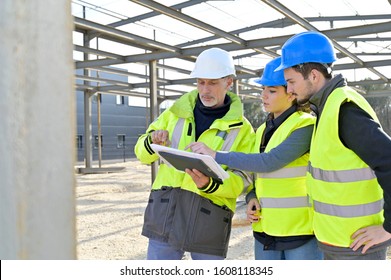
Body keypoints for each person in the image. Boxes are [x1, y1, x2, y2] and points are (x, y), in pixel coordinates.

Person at [187, 57, 323, 260]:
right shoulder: (260, 131)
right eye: (263, 90)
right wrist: (251, 197)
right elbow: (254, 176)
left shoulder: (305, 125)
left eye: (272, 91)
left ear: (291, 94)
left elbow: (269, 162)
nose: (263, 96)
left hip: (300, 232)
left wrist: (216, 155)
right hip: (265, 231)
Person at [273, 31, 391, 260]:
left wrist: (389, 228)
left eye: (291, 82)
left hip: (358, 248)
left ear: (314, 76)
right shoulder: (325, 109)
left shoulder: (345, 110)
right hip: (338, 243)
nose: (289, 90)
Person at [134, 47, 254, 260]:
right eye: (201, 82)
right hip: (166, 210)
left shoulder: (242, 129)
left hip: (209, 215)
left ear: (229, 82)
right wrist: (152, 142)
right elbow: (142, 154)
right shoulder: (173, 114)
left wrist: (210, 184)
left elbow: (244, 179)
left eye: (213, 82)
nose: (205, 90)